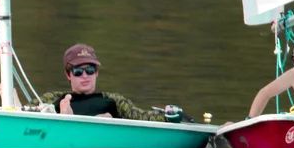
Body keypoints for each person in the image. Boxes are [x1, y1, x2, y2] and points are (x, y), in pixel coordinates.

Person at [43, 44, 186, 122]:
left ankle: (74, 120)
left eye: (90, 70)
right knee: (48, 110)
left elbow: (141, 116)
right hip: (59, 134)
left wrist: (167, 115)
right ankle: (65, 119)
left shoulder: (113, 100)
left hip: (101, 141)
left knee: (106, 118)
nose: (85, 76)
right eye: (78, 72)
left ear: (97, 73)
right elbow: (24, 113)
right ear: (68, 75)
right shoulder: (53, 98)